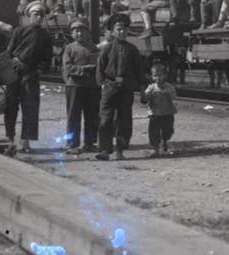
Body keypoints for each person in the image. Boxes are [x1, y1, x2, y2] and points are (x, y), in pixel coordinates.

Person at [3, 0, 53, 155]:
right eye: (35, 14)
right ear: (29, 15)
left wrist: (38, 69)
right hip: (14, 74)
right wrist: (14, 62)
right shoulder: (19, 32)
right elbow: (9, 52)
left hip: (30, 75)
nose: (38, 17)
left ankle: (26, 141)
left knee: (30, 108)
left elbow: (47, 59)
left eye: (41, 15)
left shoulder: (46, 36)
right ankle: (9, 139)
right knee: (11, 107)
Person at [96, 13, 146, 161]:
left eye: (124, 28)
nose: (122, 32)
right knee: (105, 118)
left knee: (124, 119)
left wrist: (142, 87)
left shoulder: (132, 49)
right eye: (118, 28)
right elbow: (100, 69)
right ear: (112, 31)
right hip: (110, 87)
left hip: (126, 88)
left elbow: (139, 71)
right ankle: (105, 149)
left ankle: (120, 150)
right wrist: (102, 84)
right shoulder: (107, 48)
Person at [62, 19, 100, 154]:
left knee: (92, 115)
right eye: (76, 31)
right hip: (75, 86)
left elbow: (99, 66)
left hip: (91, 87)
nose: (79, 34)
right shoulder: (69, 48)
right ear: (72, 34)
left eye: (82, 31)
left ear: (87, 34)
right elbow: (67, 67)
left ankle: (89, 143)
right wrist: (84, 69)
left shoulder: (94, 48)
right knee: (73, 115)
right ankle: (72, 144)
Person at [140, 61, 177, 158]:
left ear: (165, 76)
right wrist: (146, 95)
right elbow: (145, 97)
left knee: (167, 131)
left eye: (160, 75)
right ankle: (156, 149)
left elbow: (174, 95)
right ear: (152, 77)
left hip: (167, 113)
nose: (158, 78)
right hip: (154, 114)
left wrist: (167, 92)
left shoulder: (168, 86)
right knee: (154, 133)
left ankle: (165, 142)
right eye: (155, 76)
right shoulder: (151, 87)